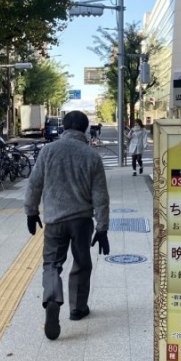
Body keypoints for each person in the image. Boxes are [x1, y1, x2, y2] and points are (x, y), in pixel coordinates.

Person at [24, 110, 110, 341]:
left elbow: (34, 184)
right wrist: (102, 228)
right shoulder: (91, 156)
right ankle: (77, 309)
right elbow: (100, 195)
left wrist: (31, 211)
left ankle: (52, 299)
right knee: (82, 262)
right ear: (84, 129)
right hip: (81, 220)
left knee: (52, 264)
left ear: (64, 128)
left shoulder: (48, 152)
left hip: (54, 219)